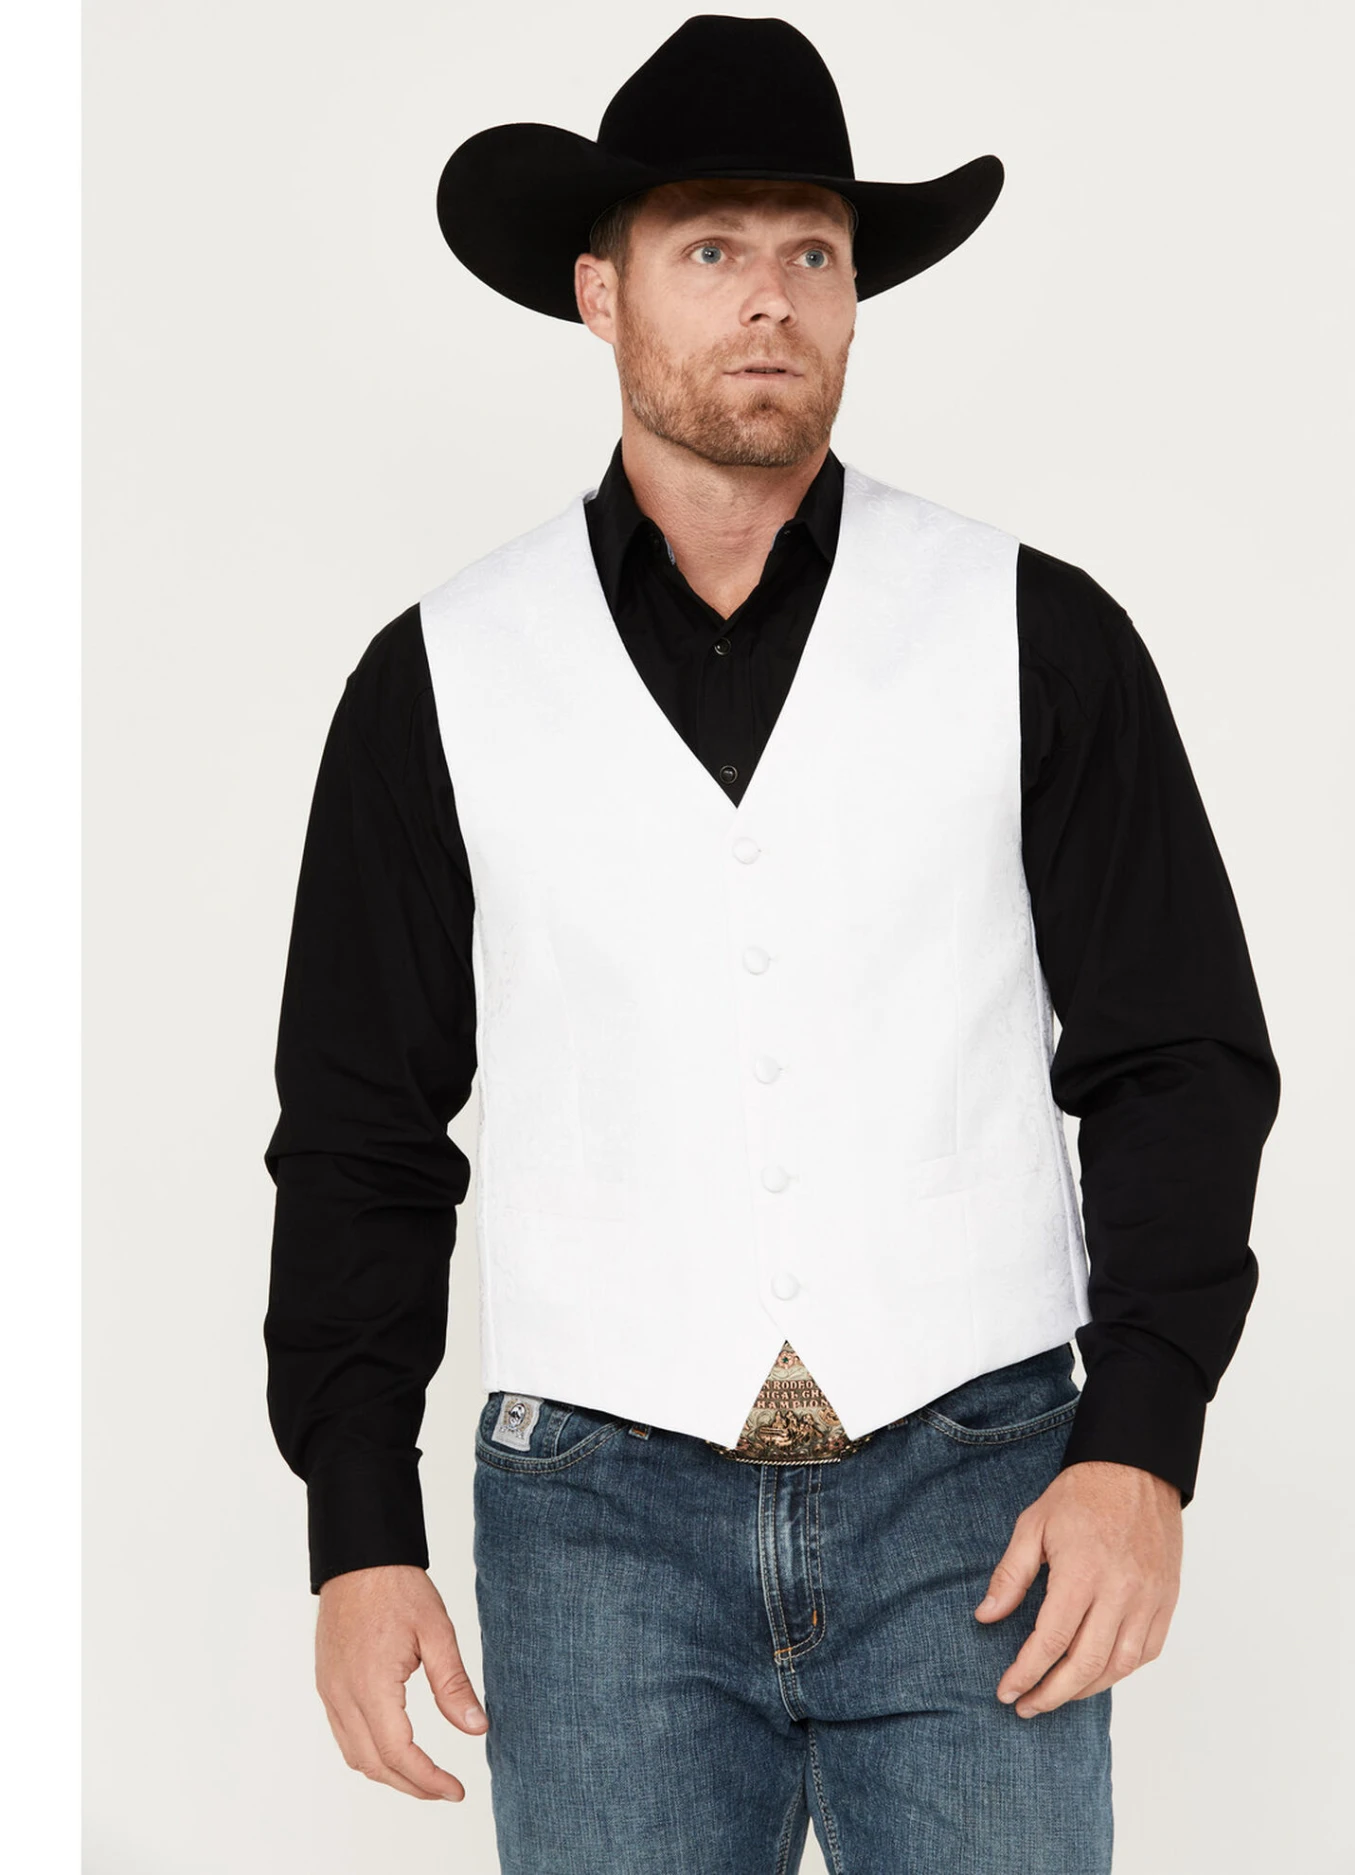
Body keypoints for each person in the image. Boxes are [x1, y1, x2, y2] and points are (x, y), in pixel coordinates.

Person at [262, 16, 1280, 1872]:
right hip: (594, 1520)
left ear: (858, 296)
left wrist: (1142, 1437)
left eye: (815, 250)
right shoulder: (437, 681)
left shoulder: (1037, 633)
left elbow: (1179, 1058)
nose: (771, 299)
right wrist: (357, 1524)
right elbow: (361, 1133)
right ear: (599, 291)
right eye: (712, 247)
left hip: (977, 1492)